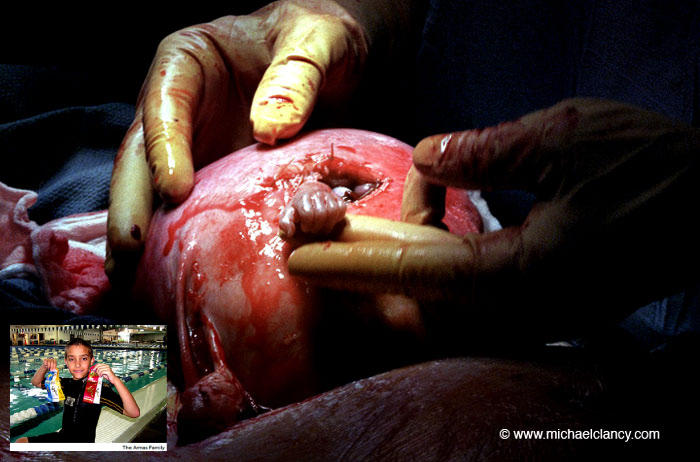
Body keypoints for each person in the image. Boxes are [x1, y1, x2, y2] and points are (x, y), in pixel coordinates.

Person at [14, 338, 140, 443]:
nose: (78, 364)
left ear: (92, 360)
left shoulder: (97, 389)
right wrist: (44, 367)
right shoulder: (65, 383)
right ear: (66, 362)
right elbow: (36, 382)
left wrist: (116, 380)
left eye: (83, 358)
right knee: (21, 442)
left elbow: (133, 413)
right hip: (63, 438)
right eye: (72, 359)